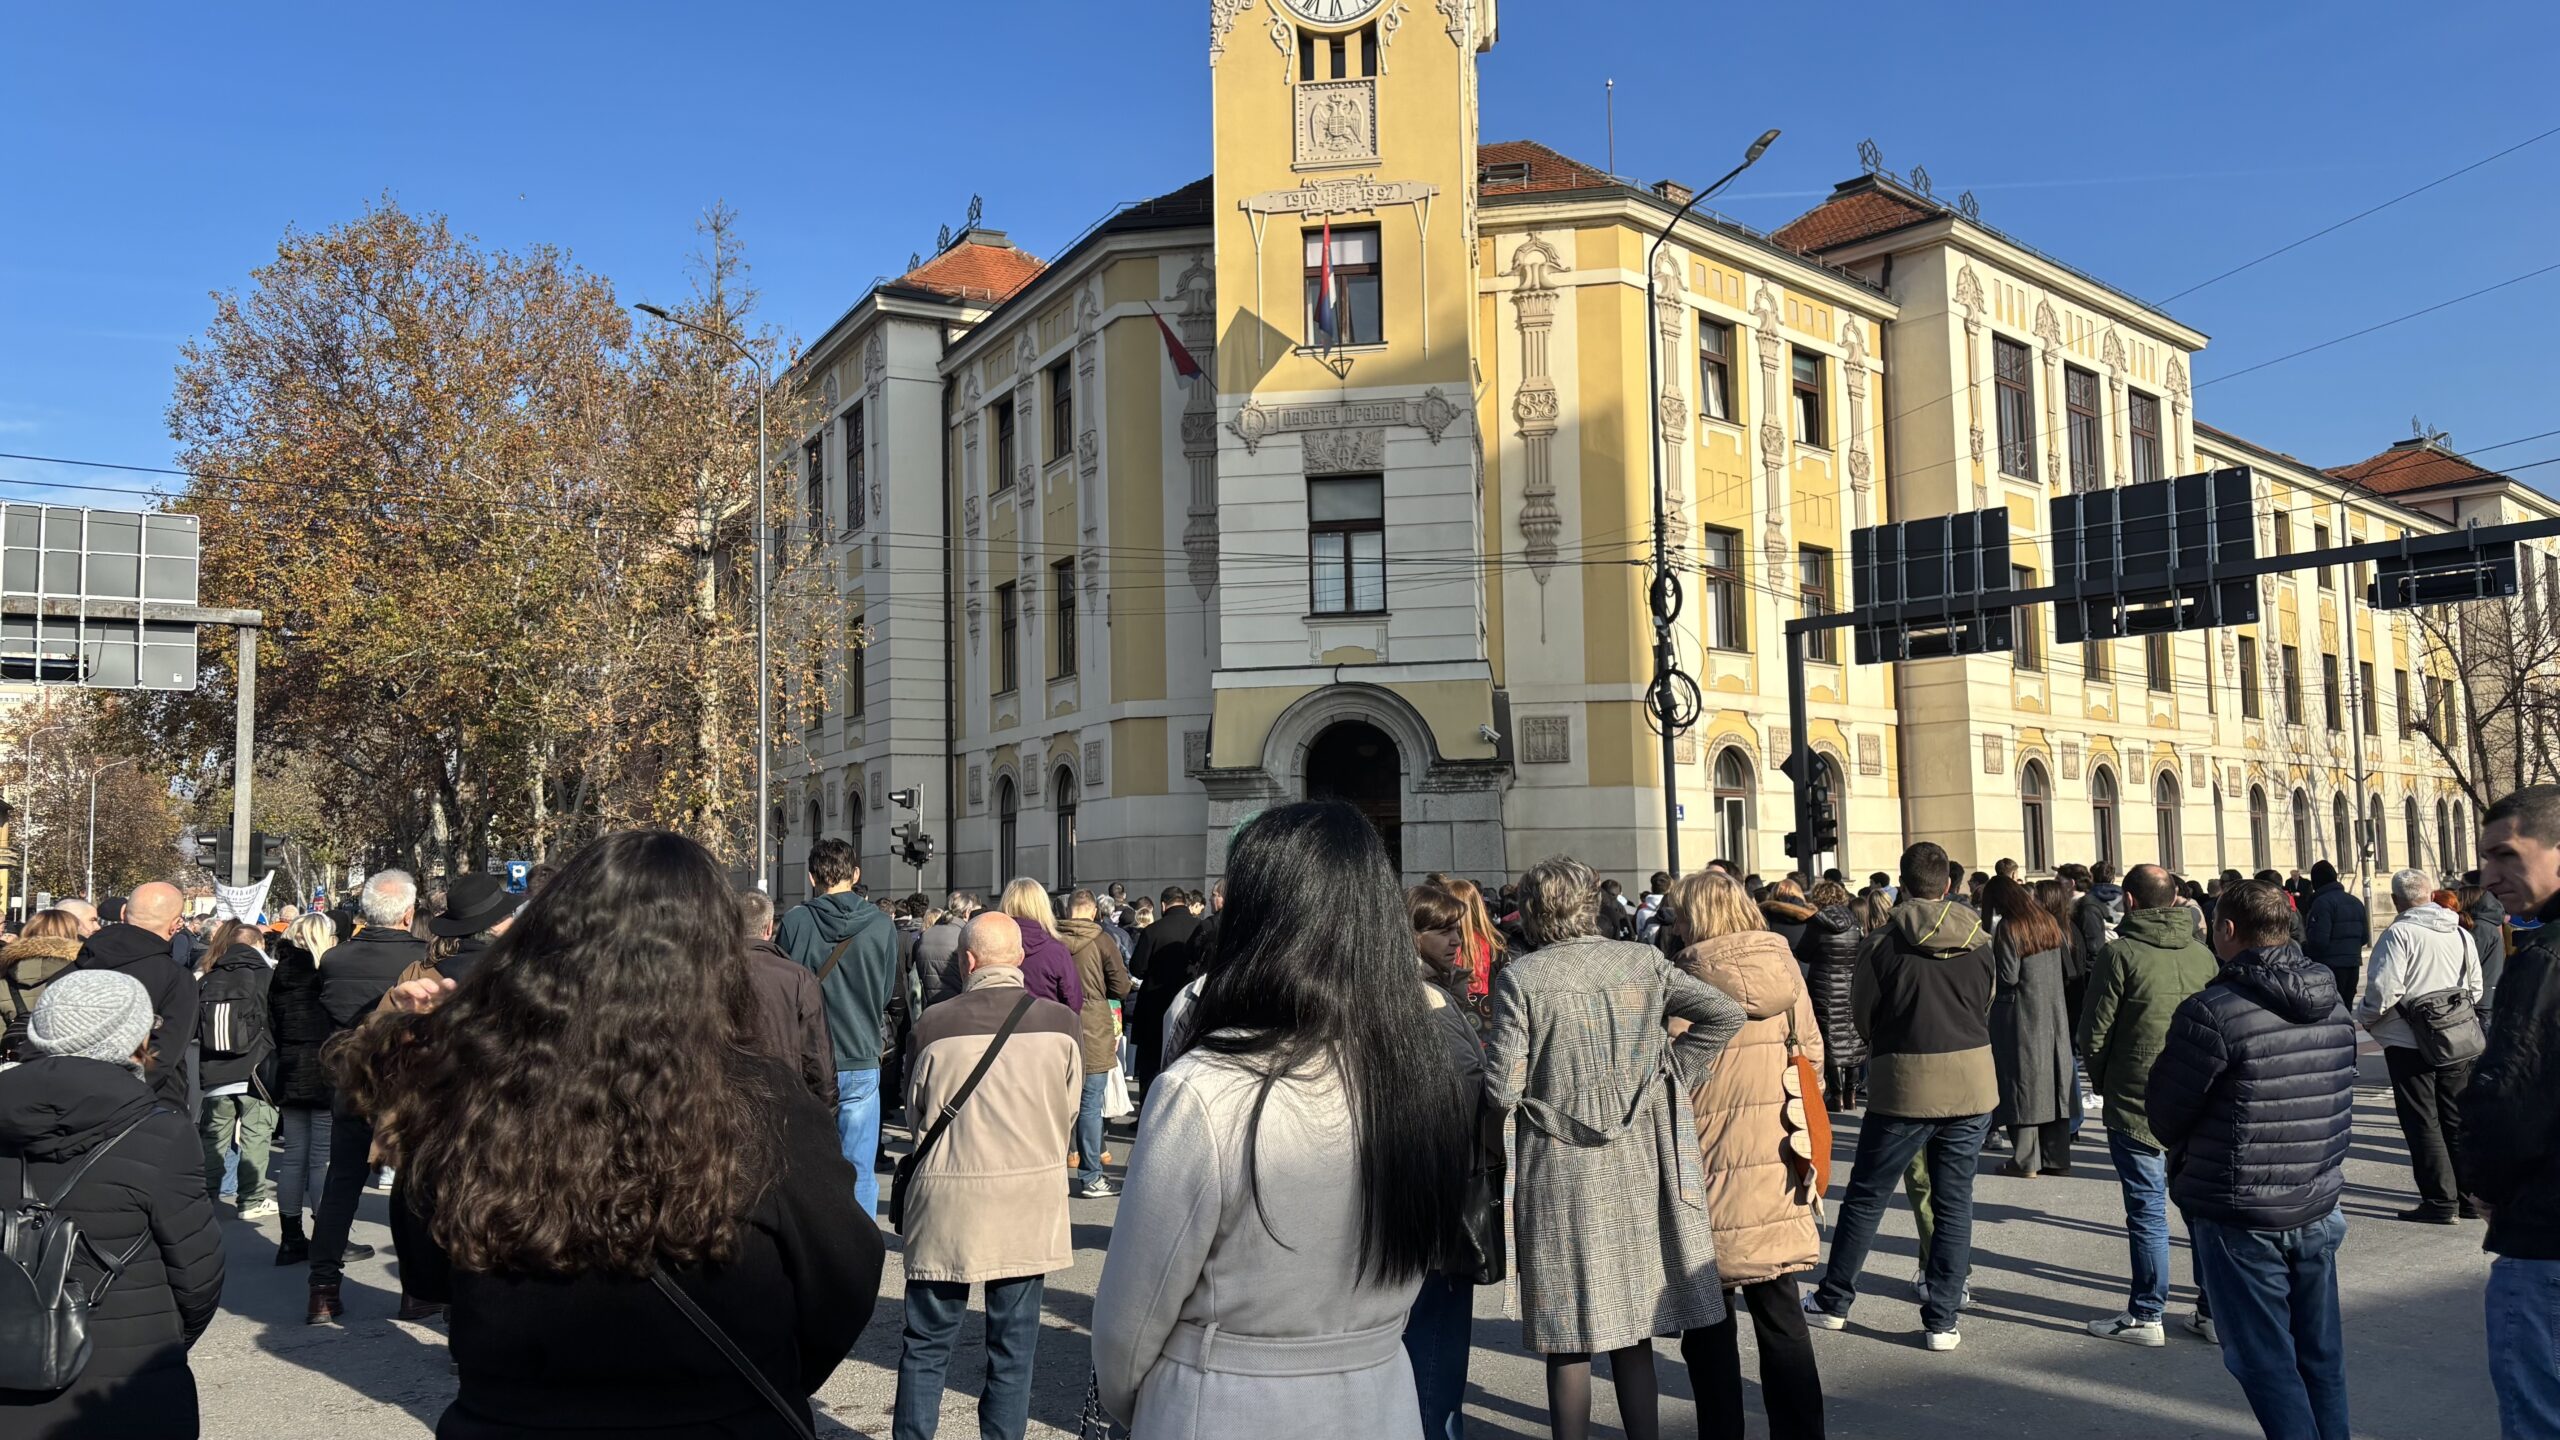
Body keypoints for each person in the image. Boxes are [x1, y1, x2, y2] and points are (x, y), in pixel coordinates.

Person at [335, 831, 883, 1438]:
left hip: (516, 1413)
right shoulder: (762, 1097)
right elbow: (842, 1277)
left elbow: (429, 1269)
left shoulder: (481, 1084)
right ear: (711, 954)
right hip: (716, 1413)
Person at [1093, 803, 1468, 1440]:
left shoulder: (1205, 1089)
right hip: (1380, 1395)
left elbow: (1131, 1318)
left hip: (1228, 1400)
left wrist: (1146, 1401)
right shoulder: (1415, 1067)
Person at [1484, 855, 1745, 1440]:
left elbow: (1502, 1087)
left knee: (1567, 1327)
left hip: (1558, 1164)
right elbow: (1724, 1013)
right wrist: (1672, 1072)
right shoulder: (1642, 962)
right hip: (1638, 1155)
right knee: (1632, 1320)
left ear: (1529, 911)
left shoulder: (1522, 978)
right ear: (1590, 903)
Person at [2146, 879, 2356, 1440]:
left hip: (2241, 1211)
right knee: (2319, 1354)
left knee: (2264, 1360)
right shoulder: (2331, 997)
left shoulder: (2212, 1010)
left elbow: (2165, 1115)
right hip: (2314, 1197)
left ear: (2228, 930)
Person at [0, 970, 226, 1437]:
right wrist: (164, 1345)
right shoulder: (160, 1130)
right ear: (132, 1037)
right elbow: (198, 1271)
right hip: (127, 1375)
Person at [894, 911, 1083, 1440]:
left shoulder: (933, 1024)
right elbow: (1067, 1113)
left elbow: (916, 1114)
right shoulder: (1060, 1024)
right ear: (1019, 959)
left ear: (967, 961)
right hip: (1027, 1200)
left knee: (927, 1343)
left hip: (948, 1199)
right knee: (1013, 1347)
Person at [1803, 841, 1994, 1352]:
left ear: (1902, 887)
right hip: (1973, 1079)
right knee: (1955, 1200)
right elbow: (1987, 1002)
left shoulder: (1883, 942)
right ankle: (1943, 1319)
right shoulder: (1981, 940)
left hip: (1905, 1080)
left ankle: (1835, 1299)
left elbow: (1861, 1014)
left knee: (1867, 1194)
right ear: (1948, 886)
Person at [1666, 871, 1826, 1440]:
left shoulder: (1683, 982)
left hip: (1705, 1167)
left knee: (1707, 1322)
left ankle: (1722, 1433)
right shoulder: (1784, 970)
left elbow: (1670, 1080)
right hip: (1779, 1160)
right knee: (1780, 1308)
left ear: (1695, 918)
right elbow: (1811, 1057)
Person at [2080, 863, 2222, 1345]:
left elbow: (2095, 1032)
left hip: (2135, 1095)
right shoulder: (2203, 955)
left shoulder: (2120, 954)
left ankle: (2147, 1314)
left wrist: (2106, 1082)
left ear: (2131, 901)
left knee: (2146, 1210)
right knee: (2199, 1208)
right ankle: (2211, 1309)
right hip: (2197, 1096)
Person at [2463, 785, 2560, 1437]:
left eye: (2506, 855)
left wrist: (2489, 1186)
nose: (2489, 876)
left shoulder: (2545, 959)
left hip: (2546, 1236)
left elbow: (2506, 1093)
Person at [306, 868, 429, 1322]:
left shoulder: (336, 960)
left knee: (343, 1184)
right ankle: (416, 1293)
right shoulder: (421, 959)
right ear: (409, 913)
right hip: (404, 1086)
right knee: (411, 1189)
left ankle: (322, 1289)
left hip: (351, 1081)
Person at [1402, 884, 1497, 1440]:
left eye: (1457, 928)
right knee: (1437, 1341)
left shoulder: (1430, 990)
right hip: (1440, 1184)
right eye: (1441, 929)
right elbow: (1463, 1090)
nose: (1457, 941)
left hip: (1427, 1180)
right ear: (1412, 934)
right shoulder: (1427, 1001)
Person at [776, 836, 898, 1217]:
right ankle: (858, 1254)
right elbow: (884, 994)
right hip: (860, 1054)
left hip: (807, 1060)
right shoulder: (880, 925)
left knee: (805, 1165)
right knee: (860, 1168)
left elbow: (786, 990)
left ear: (813, 877)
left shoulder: (796, 922)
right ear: (856, 874)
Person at [2356, 867, 2484, 1225]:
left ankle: (2440, 1201)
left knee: (2422, 1120)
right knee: (2456, 1117)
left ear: (2397, 900)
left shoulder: (2400, 934)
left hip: (2409, 1041)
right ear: (2431, 894)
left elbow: (2384, 990)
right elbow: (2474, 987)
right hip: (2457, 1039)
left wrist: (2366, 1018)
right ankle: (2469, 1197)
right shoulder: (2459, 932)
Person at [267, 911, 358, 1268]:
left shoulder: (280, 973)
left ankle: (290, 1237)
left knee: (294, 1157)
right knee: (320, 1158)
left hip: (289, 1068)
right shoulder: (324, 975)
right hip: (321, 1069)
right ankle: (327, 1236)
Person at [71, 880, 197, 1113]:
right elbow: (161, 1054)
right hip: (146, 1107)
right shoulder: (175, 978)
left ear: (125, 915)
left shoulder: (76, 966)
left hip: (71, 1100)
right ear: (175, 924)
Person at [1984, 877, 2075, 1178]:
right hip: (2053, 1010)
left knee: (2021, 1082)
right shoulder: (2048, 920)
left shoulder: (2010, 927)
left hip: (2020, 1012)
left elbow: (2008, 976)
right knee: (2054, 1081)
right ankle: (2056, 1157)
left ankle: (2024, 1160)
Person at [194, 917, 279, 1220]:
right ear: (260, 944)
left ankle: (205, 1197)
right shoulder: (268, 977)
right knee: (256, 1135)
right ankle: (251, 1199)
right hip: (257, 1070)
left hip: (216, 1071)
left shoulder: (207, 977)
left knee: (213, 1138)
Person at [1059, 889, 1132, 1199]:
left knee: (1059, 1101)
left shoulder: (1053, 939)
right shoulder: (1102, 941)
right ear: (1092, 912)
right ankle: (1091, 1177)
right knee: (1090, 1103)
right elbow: (1121, 986)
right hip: (1094, 1025)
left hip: (1058, 1023)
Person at [739, 891, 836, 1106]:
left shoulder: (706, 974)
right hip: (783, 1103)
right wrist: (825, 1113)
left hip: (723, 1111)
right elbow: (817, 1057)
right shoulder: (799, 979)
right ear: (769, 928)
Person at [1794, 880, 1865, 1114]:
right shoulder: (1855, 923)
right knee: (1852, 1040)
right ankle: (1851, 1093)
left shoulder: (1818, 923)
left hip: (1824, 986)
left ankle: (1836, 1097)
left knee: (1829, 1039)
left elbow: (1804, 953)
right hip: (1851, 986)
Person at [1127, 887, 1203, 1094]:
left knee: (1150, 1063)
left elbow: (1137, 969)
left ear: (1162, 905)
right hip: (1190, 1004)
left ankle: (1147, 1114)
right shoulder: (1201, 927)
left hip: (1154, 1005)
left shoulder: (1153, 930)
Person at [0, 908, 85, 1059]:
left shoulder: (4, 975)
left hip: (19, 1067)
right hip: (69, 1064)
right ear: (71, 934)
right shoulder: (82, 971)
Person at [2301, 861, 2369, 1002]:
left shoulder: (2321, 903)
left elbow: (2318, 941)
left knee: (2332, 1010)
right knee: (2347, 1007)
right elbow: (2364, 937)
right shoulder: (2356, 902)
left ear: (2315, 883)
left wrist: (2303, 949)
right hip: (2353, 964)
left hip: (2329, 966)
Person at [2074, 862, 2126, 974]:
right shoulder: (2125, 897)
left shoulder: (2087, 900)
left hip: (2099, 948)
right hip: (2122, 945)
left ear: (2091, 876)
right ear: (2113, 878)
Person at [1760, 875, 1816, 952]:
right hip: (1805, 962)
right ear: (1799, 892)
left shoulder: (1763, 915)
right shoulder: (1813, 915)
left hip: (1776, 959)